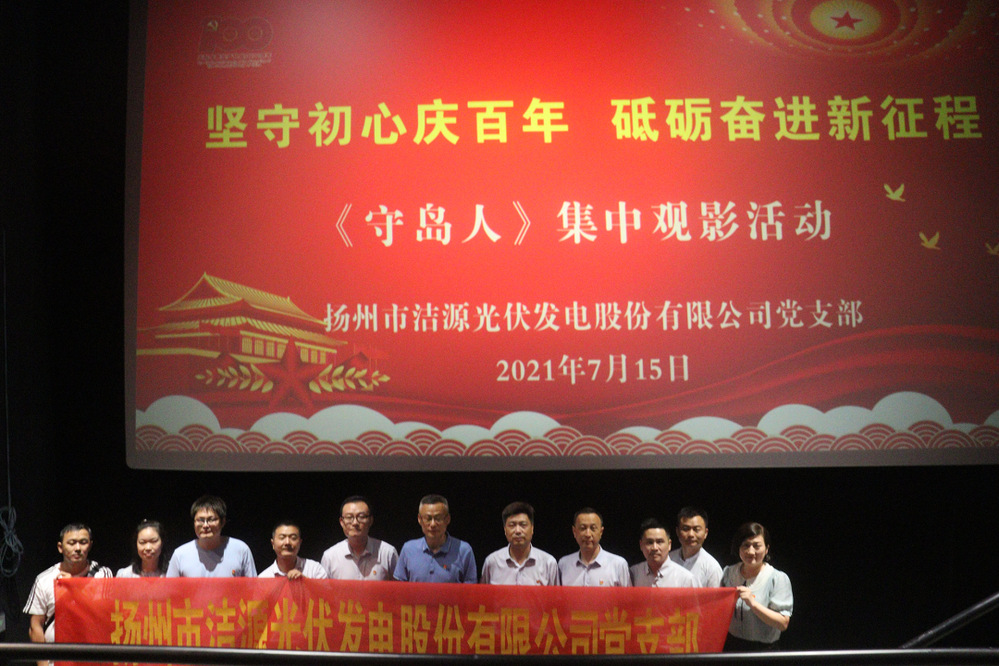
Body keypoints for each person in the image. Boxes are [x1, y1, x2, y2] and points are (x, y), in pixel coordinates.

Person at [23, 523, 112, 665]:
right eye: (71, 543)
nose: (78, 548)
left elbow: (103, 615)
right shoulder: (44, 579)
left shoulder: (102, 574)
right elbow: (36, 625)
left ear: (90, 545)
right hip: (56, 658)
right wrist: (43, 663)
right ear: (60, 547)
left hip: (92, 657)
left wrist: (73, 587)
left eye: (83, 542)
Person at [721, 522, 793, 651]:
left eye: (756, 546)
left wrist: (753, 604)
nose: (751, 551)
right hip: (732, 647)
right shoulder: (728, 572)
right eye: (746, 545)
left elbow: (783, 623)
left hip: (763, 650)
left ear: (766, 549)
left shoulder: (778, 578)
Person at [166, 495, 257, 577]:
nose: (205, 525)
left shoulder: (241, 550)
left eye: (211, 519)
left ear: (223, 522)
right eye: (200, 520)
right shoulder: (180, 554)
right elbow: (170, 589)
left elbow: (252, 587)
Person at [393, 494, 477, 583]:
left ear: (447, 519)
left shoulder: (463, 550)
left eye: (438, 518)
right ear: (419, 519)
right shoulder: (408, 549)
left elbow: (470, 589)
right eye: (428, 518)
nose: (433, 524)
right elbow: (399, 588)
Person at [480, 501, 559, 585]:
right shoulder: (492, 562)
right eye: (512, 525)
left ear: (532, 528)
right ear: (505, 530)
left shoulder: (548, 563)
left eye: (523, 525)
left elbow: (556, 594)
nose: (518, 531)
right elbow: (483, 593)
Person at [321, 495, 398, 580]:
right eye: (349, 517)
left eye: (361, 517)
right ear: (341, 522)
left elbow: (399, 587)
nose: (355, 523)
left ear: (370, 520)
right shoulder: (330, 557)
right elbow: (323, 588)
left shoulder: (387, 553)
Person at [558, 508, 630, 587]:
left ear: (601, 532)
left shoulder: (618, 565)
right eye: (583, 528)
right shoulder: (564, 564)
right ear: (574, 532)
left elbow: (627, 595)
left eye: (593, 528)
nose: (588, 534)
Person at [630, 518, 699, 588]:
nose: (655, 548)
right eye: (649, 542)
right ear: (641, 545)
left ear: (669, 544)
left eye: (659, 542)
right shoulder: (633, 573)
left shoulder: (686, 579)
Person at [668, 506, 723, 587]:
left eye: (696, 529)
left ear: (705, 533)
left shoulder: (712, 568)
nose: (691, 534)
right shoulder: (668, 559)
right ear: (677, 532)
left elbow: (717, 595)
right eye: (686, 529)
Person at [258, 521, 328, 579]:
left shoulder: (314, 570)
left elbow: (326, 591)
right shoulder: (264, 578)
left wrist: (305, 582)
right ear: (273, 543)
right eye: (282, 538)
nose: (287, 542)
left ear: (300, 543)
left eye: (293, 538)